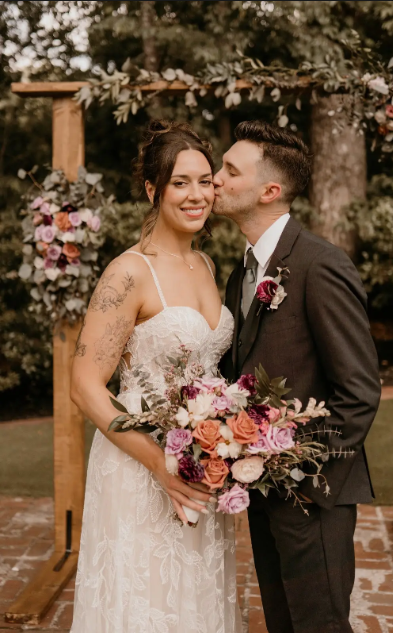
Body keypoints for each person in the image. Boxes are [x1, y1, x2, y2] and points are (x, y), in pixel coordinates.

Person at [70, 120, 241, 633]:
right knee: (146, 601)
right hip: (138, 464)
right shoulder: (128, 272)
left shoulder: (206, 265)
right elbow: (83, 384)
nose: (197, 195)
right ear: (153, 189)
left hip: (200, 463)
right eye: (180, 182)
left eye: (205, 181)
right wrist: (159, 462)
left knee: (193, 596)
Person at [215, 120, 381, 633]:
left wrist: (301, 473)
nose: (215, 180)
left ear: (270, 190)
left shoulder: (319, 265)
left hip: (313, 493)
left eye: (228, 170)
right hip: (263, 492)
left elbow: (358, 392)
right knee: (283, 623)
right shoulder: (241, 272)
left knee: (321, 625)